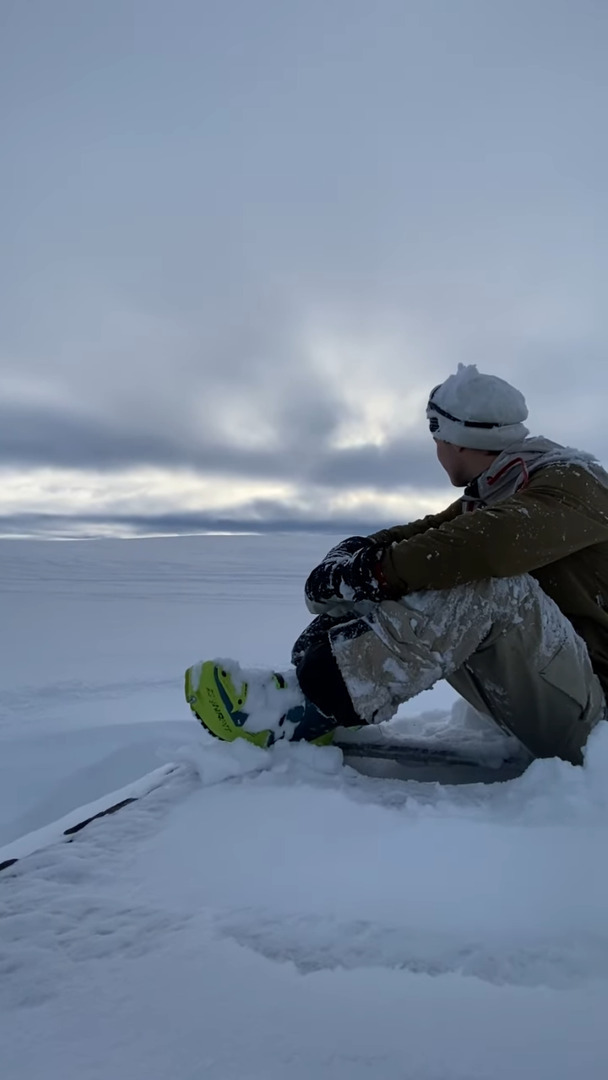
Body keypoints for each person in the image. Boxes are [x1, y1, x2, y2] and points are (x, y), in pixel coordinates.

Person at [187, 364, 608, 764]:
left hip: (595, 717)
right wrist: (354, 554)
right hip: (554, 691)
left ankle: (313, 707)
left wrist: (369, 573)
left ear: (452, 438)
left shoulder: (574, 482)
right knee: (419, 568)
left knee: (480, 582)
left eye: (436, 439)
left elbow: (487, 546)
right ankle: (307, 690)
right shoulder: (503, 486)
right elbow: (423, 535)